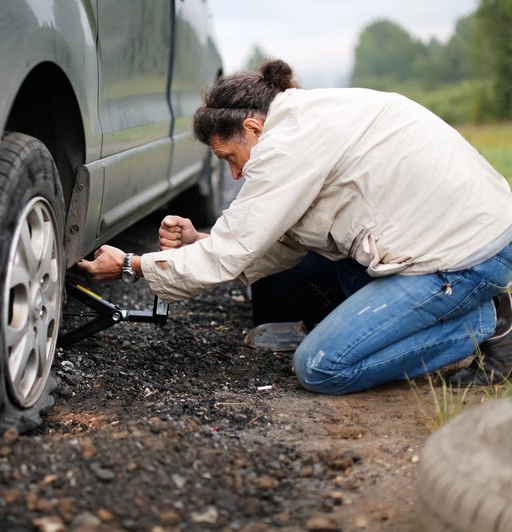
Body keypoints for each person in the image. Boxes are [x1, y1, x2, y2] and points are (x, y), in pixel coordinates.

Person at [77, 59, 512, 394]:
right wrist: (200, 241)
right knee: (335, 267)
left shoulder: (287, 145)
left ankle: (487, 324)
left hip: (463, 258)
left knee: (321, 367)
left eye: (231, 157)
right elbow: (281, 236)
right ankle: (469, 313)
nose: (233, 175)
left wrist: (131, 265)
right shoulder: (305, 118)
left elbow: (234, 253)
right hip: (470, 232)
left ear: (252, 127)